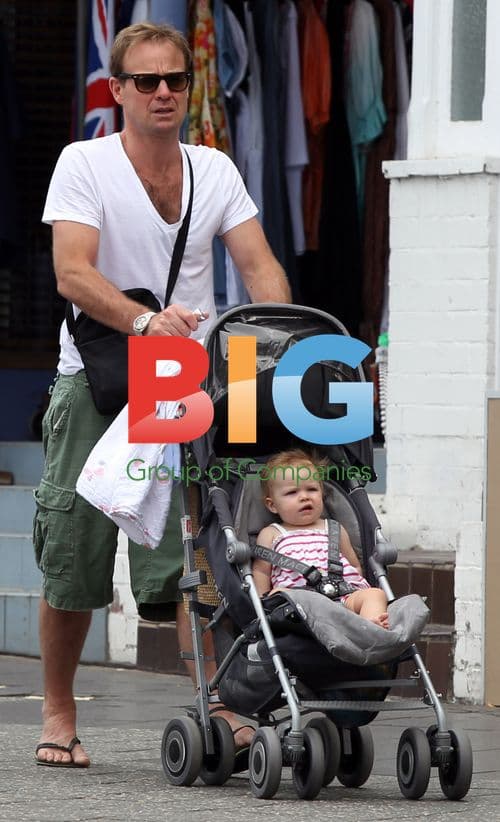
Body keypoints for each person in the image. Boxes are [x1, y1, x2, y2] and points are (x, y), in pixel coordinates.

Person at [34, 22, 291, 767]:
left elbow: (260, 266)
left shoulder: (214, 169)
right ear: (117, 90)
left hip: (184, 385)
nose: (163, 93)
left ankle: (217, 704)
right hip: (99, 377)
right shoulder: (84, 162)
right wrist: (146, 321)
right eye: (145, 81)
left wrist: (280, 342)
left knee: (198, 551)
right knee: (76, 552)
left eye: (175, 80)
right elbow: (72, 272)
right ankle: (58, 710)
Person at [253, 450, 389, 626]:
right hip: (300, 603)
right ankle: (361, 629)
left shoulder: (334, 528)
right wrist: (263, 603)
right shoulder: (272, 533)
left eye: (312, 489)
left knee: (376, 594)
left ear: (322, 493)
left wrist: (356, 589)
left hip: (343, 597)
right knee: (280, 594)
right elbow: (261, 571)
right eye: (292, 492)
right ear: (272, 505)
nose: (304, 497)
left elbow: (354, 565)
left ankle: (369, 627)